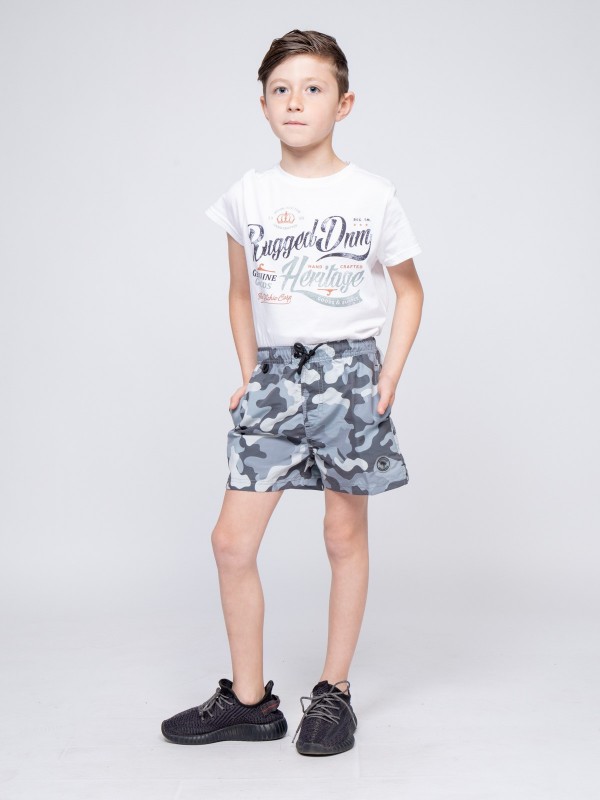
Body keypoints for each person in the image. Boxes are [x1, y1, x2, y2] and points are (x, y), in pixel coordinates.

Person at [161, 28, 424, 757]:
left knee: (343, 535)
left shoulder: (372, 195)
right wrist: (249, 373)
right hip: (276, 380)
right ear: (263, 104)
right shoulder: (247, 196)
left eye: (312, 88)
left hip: (349, 376)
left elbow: (409, 290)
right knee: (231, 541)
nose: (295, 102)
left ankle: (334, 692)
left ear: (344, 103)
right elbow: (239, 293)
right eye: (281, 89)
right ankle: (250, 702)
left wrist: (389, 375)